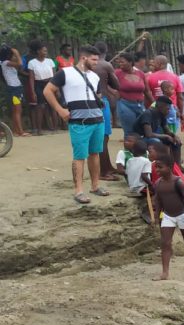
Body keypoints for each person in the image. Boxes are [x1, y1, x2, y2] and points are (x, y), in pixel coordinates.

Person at [43, 45, 109, 204]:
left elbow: (98, 96)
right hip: (79, 122)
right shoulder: (65, 73)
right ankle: (78, 190)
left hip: (97, 120)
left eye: (97, 60)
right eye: (93, 59)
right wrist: (60, 110)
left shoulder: (95, 76)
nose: (96, 63)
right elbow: (47, 91)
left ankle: (95, 186)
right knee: (80, 156)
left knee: (95, 153)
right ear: (83, 58)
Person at [152, 154, 184, 280]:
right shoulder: (158, 183)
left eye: (160, 167)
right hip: (168, 215)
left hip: (181, 215)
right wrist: (157, 216)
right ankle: (165, 273)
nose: (157, 170)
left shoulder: (178, 182)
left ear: (169, 167)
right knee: (165, 243)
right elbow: (158, 201)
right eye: (156, 167)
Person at [92, 42, 121, 180]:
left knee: (104, 136)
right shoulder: (105, 65)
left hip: (91, 103)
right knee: (103, 137)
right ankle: (104, 172)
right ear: (106, 50)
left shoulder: (86, 65)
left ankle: (107, 166)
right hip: (102, 101)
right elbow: (116, 85)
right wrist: (111, 73)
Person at [133, 96, 184, 169]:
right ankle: (164, 166)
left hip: (148, 137)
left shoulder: (162, 115)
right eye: (167, 109)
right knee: (157, 142)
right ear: (160, 107)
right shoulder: (148, 114)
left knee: (176, 142)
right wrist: (166, 136)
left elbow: (167, 130)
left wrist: (174, 136)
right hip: (140, 138)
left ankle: (177, 166)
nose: (169, 111)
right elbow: (149, 134)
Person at [116, 53, 149, 138]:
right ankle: (128, 151)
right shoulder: (117, 73)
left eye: (122, 62)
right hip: (125, 104)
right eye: (119, 62)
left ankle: (140, 150)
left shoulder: (141, 74)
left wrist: (154, 103)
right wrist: (114, 92)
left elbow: (147, 91)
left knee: (143, 130)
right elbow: (105, 83)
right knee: (129, 132)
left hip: (140, 105)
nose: (120, 64)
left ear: (130, 62)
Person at [27, 44, 56, 134]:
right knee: (40, 106)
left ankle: (55, 128)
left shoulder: (50, 61)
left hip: (50, 83)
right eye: (44, 51)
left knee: (53, 105)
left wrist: (57, 88)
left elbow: (55, 76)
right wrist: (33, 91)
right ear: (38, 51)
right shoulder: (32, 63)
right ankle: (39, 130)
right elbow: (31, 78)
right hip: (39, 84)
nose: (45, 53)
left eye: (46, 51)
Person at [1, 45, 28, 136]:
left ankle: (16, 130)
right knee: (17, 110)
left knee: (16, 110)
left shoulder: (8, 63)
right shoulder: (6, 63)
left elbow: (20, 67)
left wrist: (15, 56)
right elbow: (20, 64)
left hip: (16, 87)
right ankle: (20, 131)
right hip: (14, 88)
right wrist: (17, 53)